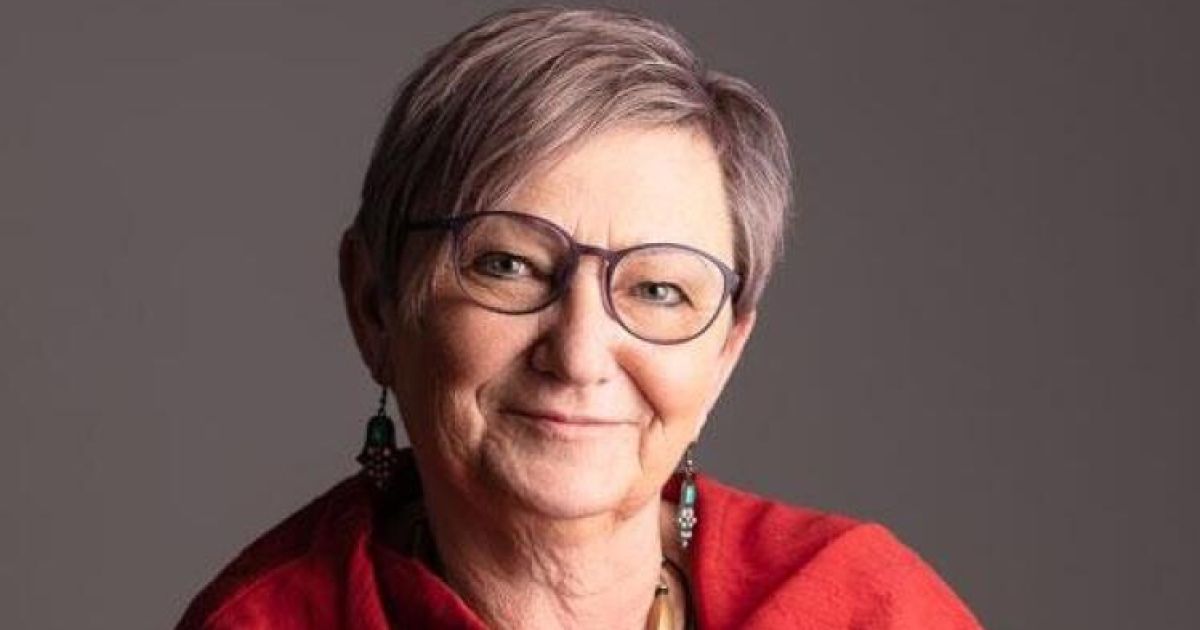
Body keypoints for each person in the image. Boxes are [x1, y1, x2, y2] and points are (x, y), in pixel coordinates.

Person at [177, 7, 983, 629]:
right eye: (509, 265)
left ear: (725, 354)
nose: (579, 354)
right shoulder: (264, 621)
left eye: (658, 290)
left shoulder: (867, 607)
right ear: (374, 305)